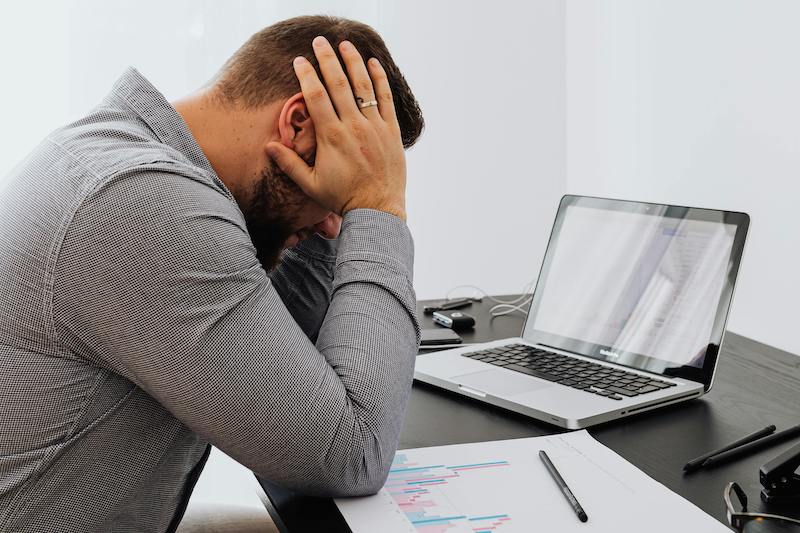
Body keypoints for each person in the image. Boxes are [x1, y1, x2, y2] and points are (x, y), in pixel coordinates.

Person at [0, 15, 424, 532]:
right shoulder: (144, 202)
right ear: (296, 124)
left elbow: (303, 353)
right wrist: (377, 206)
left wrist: (337, 208)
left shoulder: (122, 153)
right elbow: (350, 454)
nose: (336, 224)